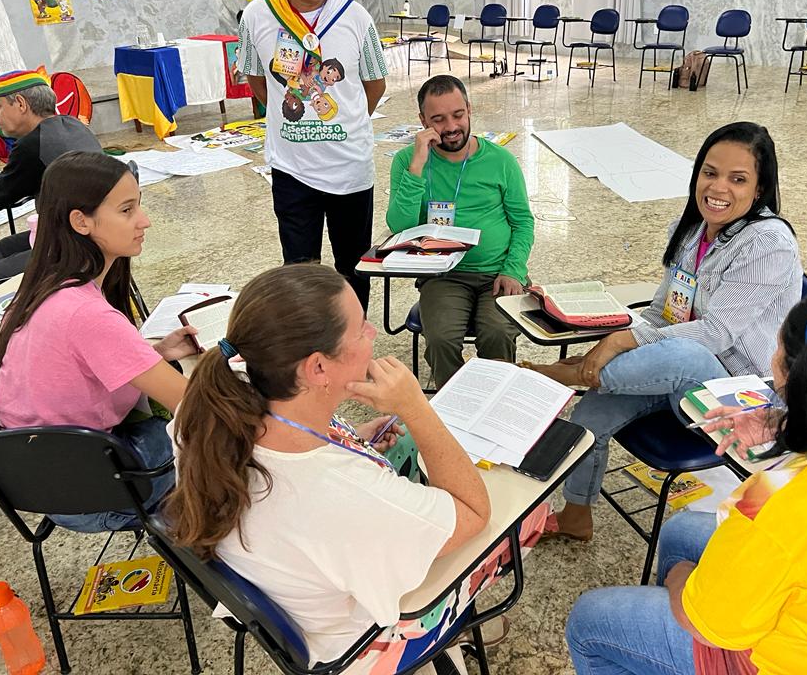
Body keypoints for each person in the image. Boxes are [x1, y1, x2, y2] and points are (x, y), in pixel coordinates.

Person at [169, 264, 547, 673]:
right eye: (361, 328)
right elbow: (474, 513)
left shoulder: (205, 413)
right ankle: (453, 626)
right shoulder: (340, 492)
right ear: (317, 368)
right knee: (528, 516)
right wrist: (415, 407)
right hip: (357, 645)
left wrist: (349, 437)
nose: (372, 335)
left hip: (295, 591)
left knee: (408, 458)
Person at [565, 289, 807, 675]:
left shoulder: (778, 499)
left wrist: (680, 582)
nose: (771, 366)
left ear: (801, 382)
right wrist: (787, 425)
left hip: (782, 661)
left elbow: (705, 622)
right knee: (682, 529)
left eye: (778, 355)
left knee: (590, 619)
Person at [530, 122, 802, 541]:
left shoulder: (769, 242)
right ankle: (576, 514)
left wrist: (619, 342)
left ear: (760, 189)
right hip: (678, 379)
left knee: (685, 355)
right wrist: (616, 337)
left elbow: (715, 334)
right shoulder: (695, 229)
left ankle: (569, 374)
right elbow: (663, 313)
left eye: (738, 179)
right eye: (709, 172)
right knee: (590, 414)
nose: (718, 187)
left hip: (743, 401)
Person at [0, 151, 197, 532]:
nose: (144, 221)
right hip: (96, 492)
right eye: (127, 210)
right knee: (208, 438)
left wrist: (156, 354)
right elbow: (193, 402)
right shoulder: (89, 314)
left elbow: (75, 368)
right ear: (80, 222)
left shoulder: (38, 289)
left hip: (36, 480)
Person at [236, 0, 388, 311]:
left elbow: (374, 84)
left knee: (354, 269)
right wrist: (292, 116)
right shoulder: (256, 17)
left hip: (350, 169)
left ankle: (355, 342)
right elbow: (257, 81)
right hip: (293, 170)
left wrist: (343, 122)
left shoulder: (355, 17)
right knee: (299, 271)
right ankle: (309, 349)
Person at [387, 75, 534, 387]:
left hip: (497, 271)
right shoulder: (407, 161)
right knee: (440, 339)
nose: (451, 126)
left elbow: (523, 223)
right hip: (443, 275)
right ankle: (452, 412)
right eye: (438, 119)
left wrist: (514, 270)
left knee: (497, 332)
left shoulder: (501, 161)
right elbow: (399, 227)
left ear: (469, 109)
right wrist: (418, 166)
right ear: (423, 121)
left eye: (457, 115)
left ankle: (494, 401)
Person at [0, 69, 103, 299]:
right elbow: (23, 181)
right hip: (97, 232)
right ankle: (29, 310)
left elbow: (1, 196)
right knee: (5, 247)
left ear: (20, 104)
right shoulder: (70, 125)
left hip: (75, 247)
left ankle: (14, 329)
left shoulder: (32, 144)